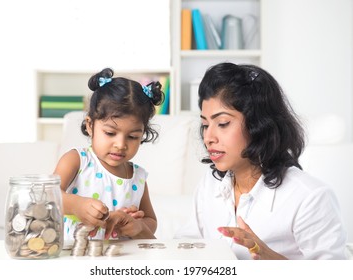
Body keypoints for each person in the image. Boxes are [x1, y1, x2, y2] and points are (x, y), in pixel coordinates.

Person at [175, 62, 347, 260]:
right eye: (205, 124)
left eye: (222, 123)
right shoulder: (210, 184)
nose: (208, 137)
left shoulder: (310, 197)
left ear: (259, 124)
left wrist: (271, 260)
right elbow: (187, 246)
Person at [54, 67, 164, 241]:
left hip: (124, 262)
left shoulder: (137, 176)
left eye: (133, 136)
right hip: (77, 258)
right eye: (110, 133)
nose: (120, 145)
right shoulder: (77, 160)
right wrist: (77, 206)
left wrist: (138, 226)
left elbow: (151, 221)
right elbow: (48, 196)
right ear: (90, 125)